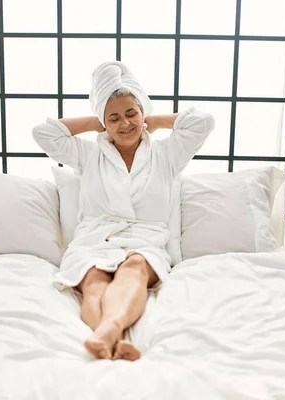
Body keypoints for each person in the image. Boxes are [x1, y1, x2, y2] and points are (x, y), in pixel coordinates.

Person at [32, 61, 214, 361]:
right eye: (113, 118)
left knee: (136, 268)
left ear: (143, 112)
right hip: (95, 239)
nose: (125, 123)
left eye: (132, 113)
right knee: (94, 279)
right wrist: (96, 122)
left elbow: (203, 122)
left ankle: (107, 331)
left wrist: (153, 121)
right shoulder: (89, 154)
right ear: (104, 123)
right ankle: (113, 341)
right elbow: (44, 133)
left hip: (145, 241)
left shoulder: (167, 153)